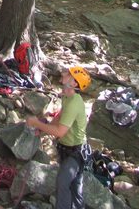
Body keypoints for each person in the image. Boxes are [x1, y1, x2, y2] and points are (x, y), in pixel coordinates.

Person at [26, 66, 91, 209]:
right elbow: (60, 117)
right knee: (73, 186)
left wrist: (36, 123)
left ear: (74, 83)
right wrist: (42, 131)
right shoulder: (67, 97)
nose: (64, 73)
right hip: (67, 150)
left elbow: (60, 131)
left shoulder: (74, 102)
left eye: (69, 74)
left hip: (76, 152)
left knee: (63, 182)